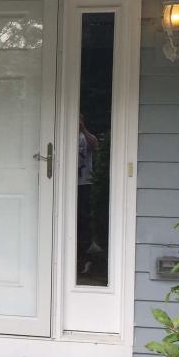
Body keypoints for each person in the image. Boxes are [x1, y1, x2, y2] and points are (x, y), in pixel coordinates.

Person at [77, 114, 99, 275]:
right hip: (69, 183)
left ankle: (86, 256)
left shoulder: (85, 137)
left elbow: (95, 145)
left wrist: (83, 129)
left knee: (83, 219)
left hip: (84, 183)